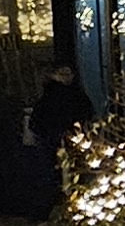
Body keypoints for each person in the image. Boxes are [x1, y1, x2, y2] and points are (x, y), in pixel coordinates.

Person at [27, 58, 98, 200]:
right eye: (62, 74)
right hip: (69, 143)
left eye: (68, 74)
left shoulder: (51, 96)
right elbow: (88, 115)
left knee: (58, 177)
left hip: (56, 145)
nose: (67, 77)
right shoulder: (73, 95)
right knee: (73, 176)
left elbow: (36, 123)